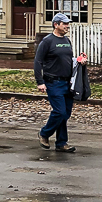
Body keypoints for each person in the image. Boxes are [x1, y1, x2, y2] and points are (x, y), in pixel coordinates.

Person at [34, 12, 86, 152]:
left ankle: (61, 143)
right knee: (60, 111)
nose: (67, 26)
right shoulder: (47, 41)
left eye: (68, 24)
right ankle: (44, 133)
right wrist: (40, 82)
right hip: (53, 82)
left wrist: (79, 61)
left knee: (66, 113)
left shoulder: (66, 41)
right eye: (64, 24)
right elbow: (38, 62)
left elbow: (69, 59)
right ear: (56, 24)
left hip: (67, 82)